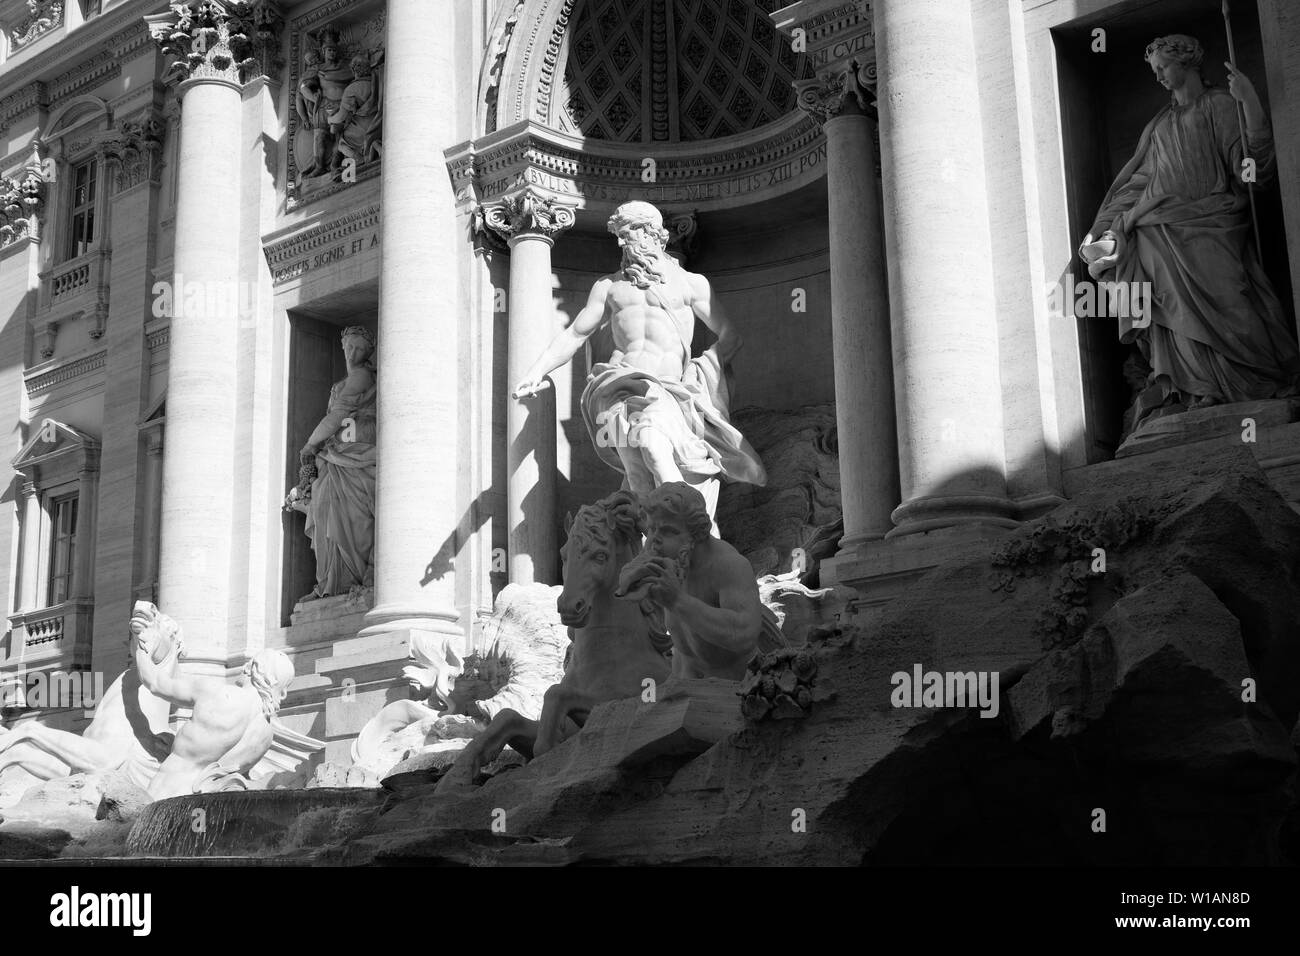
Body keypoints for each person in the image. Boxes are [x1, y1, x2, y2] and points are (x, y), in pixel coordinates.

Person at [1080, 34, 1299, 429]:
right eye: (1155, 72)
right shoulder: (1159, 126)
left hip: (1213, 221)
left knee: (1232, 298)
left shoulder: (1219, 105)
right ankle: (1196, 389)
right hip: (1157, 226)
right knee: (1168, 303)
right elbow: (1136, 184)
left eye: (1163, 67)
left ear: (1187, 63)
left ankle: (1259, 381)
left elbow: (1251, 169)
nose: (1160, 77)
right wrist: (1101, 231)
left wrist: (1249, 102)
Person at [513, 201, 765, 529]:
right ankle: (655, 548)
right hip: (615, 387)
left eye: (628, 233)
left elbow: (730, 335)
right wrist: (536, 371)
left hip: (663, 388)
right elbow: (576, 333)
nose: (622, 243)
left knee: (652, 446)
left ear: (653, 235)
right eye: (619, 236)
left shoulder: (690, 283)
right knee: (635, 472)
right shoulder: (608, 287)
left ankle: (697, 531)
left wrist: (702, 371)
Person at [131, 603, 294, 800]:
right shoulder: (266, 735)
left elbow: (156, 683)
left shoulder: (216, 692)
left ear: (254, 669)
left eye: (248, 664)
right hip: (203, 808)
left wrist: (143, 645)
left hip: (165, 795)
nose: (243, 668)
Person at [615, 482, 763, 680]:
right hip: (683, 682)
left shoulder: (729, 565)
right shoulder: (671, 558)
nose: (654, 540)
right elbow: (625, 585)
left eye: (667, 531)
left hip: (735, 693)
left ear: (697, 535)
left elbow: (744, 635)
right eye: (651, 529)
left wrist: (677, 601)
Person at [289, 325, 377, 601]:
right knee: (325, 505)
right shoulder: (338, 384)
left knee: (354, 514)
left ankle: (351, 578)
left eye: (359, 348)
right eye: (348, 347)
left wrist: (310, 444)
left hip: (358, 455)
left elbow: (337, 416)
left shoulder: (363, 376)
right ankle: (330, 582)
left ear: (368, 351)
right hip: (335, 457)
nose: (352, 353)